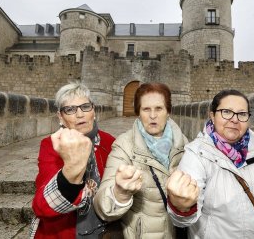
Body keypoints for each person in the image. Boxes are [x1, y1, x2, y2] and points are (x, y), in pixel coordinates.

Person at [166, 89, 254, 239]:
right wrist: (181, 206)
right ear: (212, 116)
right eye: (226, 112)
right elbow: (183, 221)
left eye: (242, 114)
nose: (235, 119)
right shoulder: (196, 154)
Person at [93, 82, 189, 238]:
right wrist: (120, 193)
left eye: (159, 108)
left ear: (168, 111)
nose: (152, 115)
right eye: (146, 109)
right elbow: (102, 207)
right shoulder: (124, 145)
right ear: (138, 113)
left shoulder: (184, 144)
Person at [30, 80, 116, 238]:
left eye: (85, 107)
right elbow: (42, 207)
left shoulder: (109, 141)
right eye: (70, 109)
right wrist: (72, 169)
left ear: (93, 110)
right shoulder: (51, 145)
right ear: (60, 117)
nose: (80, 114)